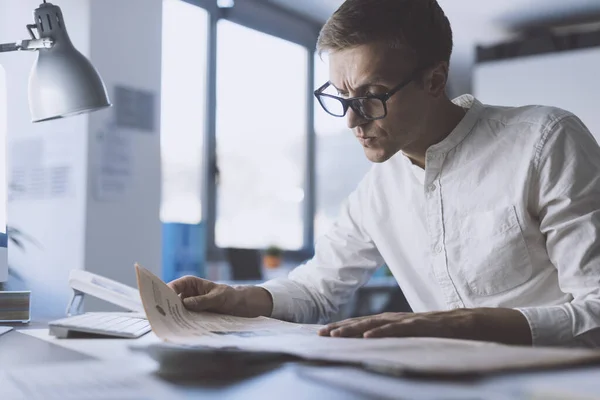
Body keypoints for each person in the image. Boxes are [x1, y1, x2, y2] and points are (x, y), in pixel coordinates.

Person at [169, 0, 600, 347]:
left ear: (434, 80)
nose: (352, 122)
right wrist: (237, 298)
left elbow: (595, 311)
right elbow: (318, 289)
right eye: (340, 96)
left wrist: (461, 325)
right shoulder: (377, 191)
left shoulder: (544, 142)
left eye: (371, 96)